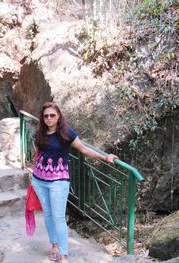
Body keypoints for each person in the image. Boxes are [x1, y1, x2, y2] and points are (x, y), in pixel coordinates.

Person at [31, 102, 118, 263]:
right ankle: (54, 247)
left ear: (58, 116)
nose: (49, 118)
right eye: (46, 116)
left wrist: (105, 157)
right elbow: (39, 152)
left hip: (59, 181)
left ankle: (64, 255)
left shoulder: (66, 133)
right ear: (42, 118)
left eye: (52, 115)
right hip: (39, 181)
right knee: (48, 215)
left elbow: (83, 149)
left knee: (59, 218)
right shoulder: (40, 133)